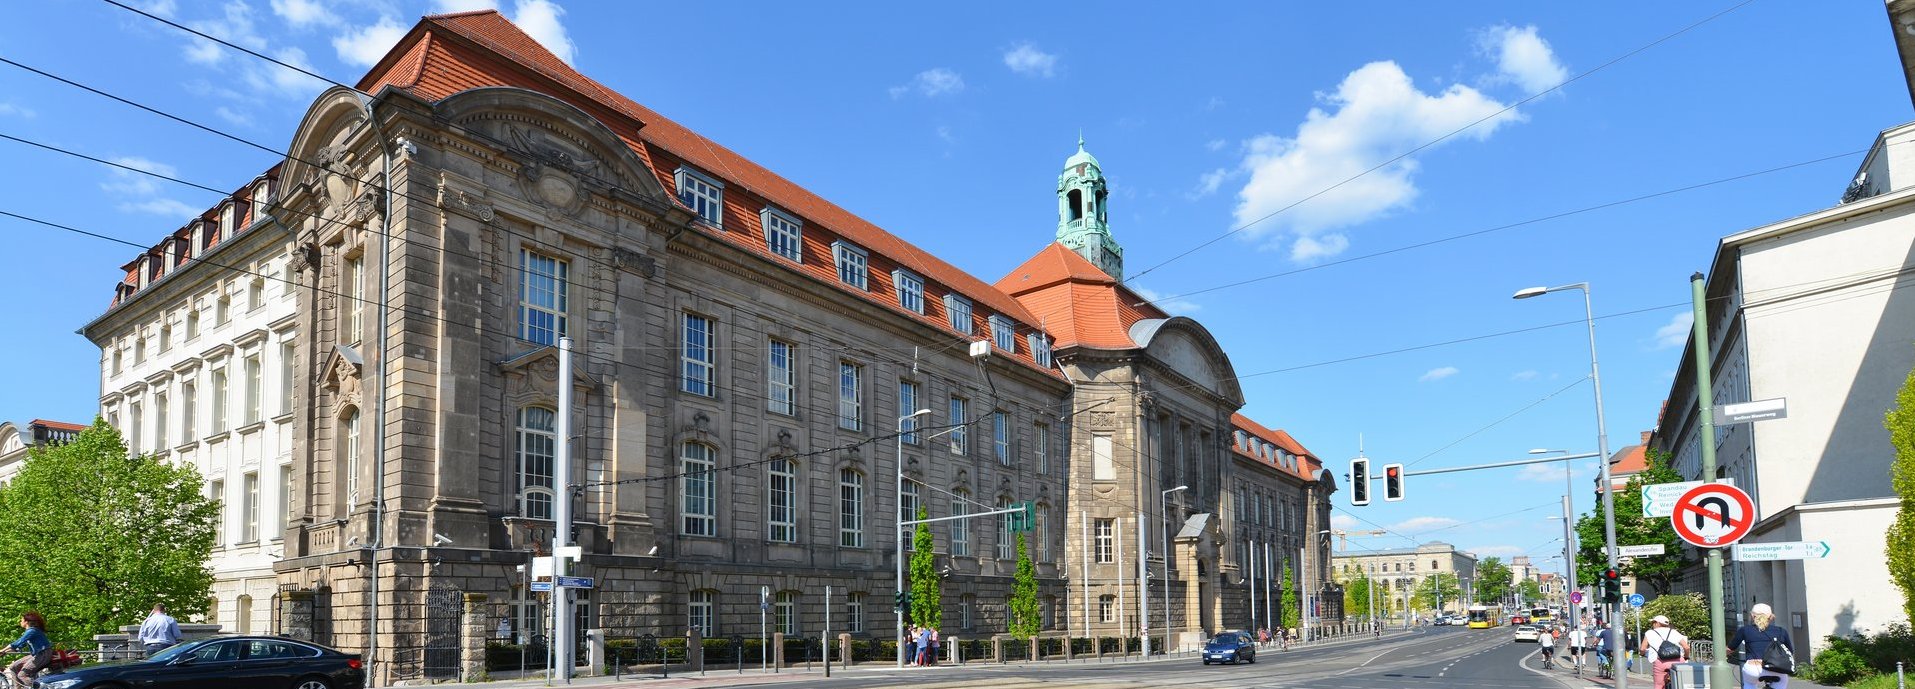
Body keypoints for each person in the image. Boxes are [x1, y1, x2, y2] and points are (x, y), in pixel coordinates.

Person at [1728, 603, 1794, 689]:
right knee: (1781, 681)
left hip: (1753, 669)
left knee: (1749, 684)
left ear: (1752, 616)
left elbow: (1730, 649)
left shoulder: (1745, 630)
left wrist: (1724, 655)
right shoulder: (1781, 631)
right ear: (1771, 617)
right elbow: (1790, 651)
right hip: (1776, 668)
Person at [1641, 614, 1692, 689]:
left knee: (1659, 685)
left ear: (1657, 623)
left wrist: (1642, 654)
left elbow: (1642, 649)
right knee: (1681, 683)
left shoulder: (1650, 633)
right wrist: (1686, 657)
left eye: (1653, 623)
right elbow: (1686, 647)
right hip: (1678, 661)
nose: (1652, 625)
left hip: (1660, 661)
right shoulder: (1674, 632)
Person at [5, 612, 51, 688]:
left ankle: (40, 687)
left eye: (21, 620)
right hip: (37, 654)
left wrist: (2, 650)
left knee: (22, 675)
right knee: (13, 666)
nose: (20, 622)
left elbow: (17, 642)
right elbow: (19, 646)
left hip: (43, 654)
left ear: (27, 622)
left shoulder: (32, 631)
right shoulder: (30, 632)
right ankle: (19, 687)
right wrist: (4, 652)